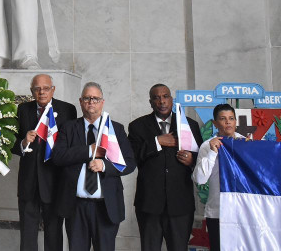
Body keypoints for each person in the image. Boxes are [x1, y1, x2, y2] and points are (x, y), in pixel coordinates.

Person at [52, 82, 136, 251]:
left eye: (95, 99)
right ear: (81, 102)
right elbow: (58, 157)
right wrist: (88, 150)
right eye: (87, 98)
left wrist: (104, 166)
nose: (91, 102)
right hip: (75, 207)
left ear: (102, 102)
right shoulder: (68, 128)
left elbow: (129, 163)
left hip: (106, 207)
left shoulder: (115, 129)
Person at [127, 84, 203, 251]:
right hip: (149, 204)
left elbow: (203, 160)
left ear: (171, 99)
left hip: (180, 204)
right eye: (156, 97)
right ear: (150, 102)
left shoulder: (189, 125)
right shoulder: (137, 126)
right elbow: (130, 158)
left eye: (165, 96)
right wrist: (157, 142)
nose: (161, 101)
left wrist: (192, 160)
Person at [12, 73, 77, 251]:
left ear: (53, 90)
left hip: (55, 181)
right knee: (27, 234)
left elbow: (72, 145)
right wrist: (24, 143)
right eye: (37, 89)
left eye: (46, 88)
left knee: (54, 233)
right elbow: (12, 142)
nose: (42, 92)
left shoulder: (68, 110)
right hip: (29, 183)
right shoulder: (23, 109)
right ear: (32, 91)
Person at [192, 103, 245, 251]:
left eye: (231, 118)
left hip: (243, 210)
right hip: (218, 212)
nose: (228, 122)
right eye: (223, 118)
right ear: (215, 123)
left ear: (236, 121)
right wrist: (212, 152)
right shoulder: (206, 146)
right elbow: (200, 179)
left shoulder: (246, 143)